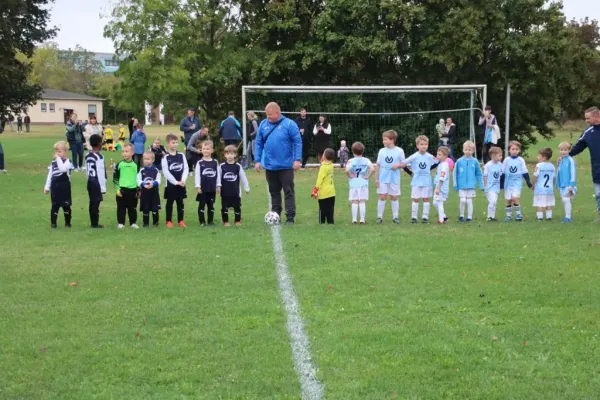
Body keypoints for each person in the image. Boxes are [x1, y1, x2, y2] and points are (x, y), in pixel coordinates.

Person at [254, 102, 302, 225]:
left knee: (288, 191)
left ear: (278, 113)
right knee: (274, 192)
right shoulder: (263, 124)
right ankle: (276, 215)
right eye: (266, 115)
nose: (268, 117)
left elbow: (297, 142)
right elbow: (258, 143)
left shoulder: (289, 124)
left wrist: (297, 159)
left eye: (270, 115)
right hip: (270, 166)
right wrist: (257, 160)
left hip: (286, 166)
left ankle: (290, 217)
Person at [568, 106, 600, 222]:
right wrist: (566, 156)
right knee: (598, 194)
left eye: (588, 118)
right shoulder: (588, 132)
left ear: (596, 116)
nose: (586, 121)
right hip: (597, 169)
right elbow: (578, 146)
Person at [399, 135, 438, 224]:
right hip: (416, 182)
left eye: (425, 144)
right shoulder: (414, 156)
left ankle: (425, 217)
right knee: (416, 199)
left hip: (427, 182)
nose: (423, 146)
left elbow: (437, 162)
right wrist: (410, 173)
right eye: (421, 144)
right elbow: (403, 163)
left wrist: (429, 169)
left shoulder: (429, 156)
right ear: (417, 146)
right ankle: (414, 217)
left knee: (426, 199)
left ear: (427, 145)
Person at [375, 130, 406, 224]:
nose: (383, 141)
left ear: (392, 140)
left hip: (394, 178)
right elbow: (378, 165)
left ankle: (395, 217)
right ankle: (379, 217)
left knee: (394, 196)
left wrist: (397, 165)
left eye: (385, 139)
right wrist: (376, 178)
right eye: (383, 139)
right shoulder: (381, 151)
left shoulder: (399, 151)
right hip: (383, 178)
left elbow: (404, 164)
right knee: (382, 196)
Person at [43, 141, 73, 228]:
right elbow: (50, 175)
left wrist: (58, 159)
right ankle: (53, 223)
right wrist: (47, 187)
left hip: (64, 186)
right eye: (56, 152)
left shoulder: (68, 161)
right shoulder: (53, 162)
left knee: (66, 205)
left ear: (65, 152)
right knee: (55, 205)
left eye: (59, 152)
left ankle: (67, 223)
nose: (57, 154)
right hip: (55, 186)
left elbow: (63, 169)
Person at [162, 133, 189, 228]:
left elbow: (186, 168)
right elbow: (166, 172)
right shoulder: (166, 157)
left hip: (181, 184)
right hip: (170, 185)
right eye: (173, 143)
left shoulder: (181, 155)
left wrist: (182, 180)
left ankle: (180, 220)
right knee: (170, 203)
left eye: (176, 142)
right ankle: (168, 221)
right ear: (168, 144)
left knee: (180, 203)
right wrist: (175, 182)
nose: (175, 144)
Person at [453, 140, 483, 222]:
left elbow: (479, 174)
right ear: (463, 150)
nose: (467, 152)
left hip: (471, 185)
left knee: (469, 201)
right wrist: (455, 185)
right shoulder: (459, 161)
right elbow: (455, 174)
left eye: (470, 150)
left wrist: (481, 185)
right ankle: (461, 216)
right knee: (462, 200)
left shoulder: (475, 161)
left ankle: (469, 217)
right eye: (466, 149)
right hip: (461, 185)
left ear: (473, 151)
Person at [501, 140, 532, 222]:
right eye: (513, 149)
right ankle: (508, 216)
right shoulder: (506, 160)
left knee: (514, 198)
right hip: (508, 183)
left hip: (517, 182)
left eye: (516, 149)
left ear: (519, 150)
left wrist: (528, 182)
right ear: (509, 150)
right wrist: (501, 184)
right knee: (508, 200)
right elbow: (503, 172)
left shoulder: (521, 160)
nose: (514, 151)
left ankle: (518, 215)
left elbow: (525, 172)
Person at [220, 145, 250, 226]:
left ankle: (237, 221)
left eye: (232, 153)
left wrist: (246, 188)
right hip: (225, 192)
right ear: (225, 155)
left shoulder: (238, 166)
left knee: (237, 207)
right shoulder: (222, 166)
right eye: (228, 154)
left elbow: (243, 177)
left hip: (236, 192)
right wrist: (217, 187)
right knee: (224, 207)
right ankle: (225, 221)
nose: (230, 156)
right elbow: (218, 178)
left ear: (235, 155)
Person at [346, 142, 374, 224]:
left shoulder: (350, 161)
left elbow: (347, 170)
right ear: (363, 151)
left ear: (352, 151)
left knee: (354, 201)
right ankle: (362, 219)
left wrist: (350, 175)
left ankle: (354, 220)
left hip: (353, 184)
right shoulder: (366, 160)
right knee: (362, 201)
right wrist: (368, 176)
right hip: (363, 183)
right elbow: (372, 169)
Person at [113, 143, 139, 229]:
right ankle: (121, 223)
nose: (124, 153)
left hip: (133, 190)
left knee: (132, 208)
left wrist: (138, 190)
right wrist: (117, 189)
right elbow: (115, 178)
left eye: (127, 151)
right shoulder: (119, 164)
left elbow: (139, 178)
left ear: (132, 153)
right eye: (123, 151)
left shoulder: (136, 165)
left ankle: (133, 223)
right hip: (122, 190)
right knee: (121, 207)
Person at [195, 141, 220, 226]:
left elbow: (218, 175)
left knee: (211, 206)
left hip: (212, 188)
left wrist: (218, 185)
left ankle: (210, 221)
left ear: (212, 150)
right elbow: (197, 176)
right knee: (202, 205)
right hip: (203, 189)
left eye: (207, 149)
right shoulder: (199, 163)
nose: (205, 150)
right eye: (203, 149)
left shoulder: (215, 162)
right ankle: (202, 221)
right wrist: (198, 186)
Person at [85, 134, 107, 228]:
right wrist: (103, 187)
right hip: (96, 182)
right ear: (99, 144)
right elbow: (100, 172)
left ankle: (93, 222)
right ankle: (95, 224)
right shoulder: (99, 157)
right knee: (95, 203)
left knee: (92, 202)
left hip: (90, 181)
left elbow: (87, 170)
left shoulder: (87, 155)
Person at [311, 148, 336, 224]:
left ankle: (322, 222)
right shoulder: (331, 165)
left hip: (323, 192)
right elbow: (326, 163)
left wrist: (315, 189)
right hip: (331, 192)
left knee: (322, 208)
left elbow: (319, 179)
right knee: (330, 208)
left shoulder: (323, 167)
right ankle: (330, 221)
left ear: (324, 156)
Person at [137, 151, 162, 227]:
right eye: (144, 159)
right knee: (145, 208)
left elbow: (159, 179)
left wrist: (153, 184)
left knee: (155, 208)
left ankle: (155, 222)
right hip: (145, 192)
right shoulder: (142, 170)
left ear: (153, 160)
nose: (146, 161)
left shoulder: (156, 170)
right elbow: (138, 180)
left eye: (148, 159)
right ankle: (146, 223)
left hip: (154, 192)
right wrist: (143, 184)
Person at [532, 147, 556, 221]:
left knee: (539, 203)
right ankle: (549, 217)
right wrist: (553, 185)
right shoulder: (552, 166)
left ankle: (540, 217)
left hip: (540, 189)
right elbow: (554, 178)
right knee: (548, 203)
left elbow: (535, 176)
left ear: (544, 157)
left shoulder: (539, 165)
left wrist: (532, 184)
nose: (537, 157)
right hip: (549, 189)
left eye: (539, 156)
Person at [557, 141, 577, 223]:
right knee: (564, 201)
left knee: (566, 199)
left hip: (569, 185)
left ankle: (568, 218)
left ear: (569, 150)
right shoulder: (561, 160)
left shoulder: (570, 160)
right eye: (561, 150)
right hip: (562, 185)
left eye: (565, 150)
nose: (563, 152)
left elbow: (573, 172)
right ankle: (566, 217)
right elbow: (558, 172)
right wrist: (558, 184)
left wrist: (571, 184)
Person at [483, 146, 503, 221]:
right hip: (489, 187)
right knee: (493, 201)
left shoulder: (500, 165)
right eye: (499, 155)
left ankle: (492, 217)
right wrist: (485, 186)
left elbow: (502, 175)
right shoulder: (488, 165)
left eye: (501, 155)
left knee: (495, 202)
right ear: (493, 156)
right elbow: (485, 176)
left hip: (496, 187)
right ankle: (489, 216)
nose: (501, 157)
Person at [433, 146, 451, 224]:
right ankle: (444, 216)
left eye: (440, 155)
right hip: (438, 186)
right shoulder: (441, 164)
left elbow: (442, 177)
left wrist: (438, 188)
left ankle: (441, 220)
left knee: (439, 203)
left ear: (445, 156)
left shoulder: (444, 165)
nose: (438, 156)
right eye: (437, 154)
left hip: (441, 187)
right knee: (434, 202)